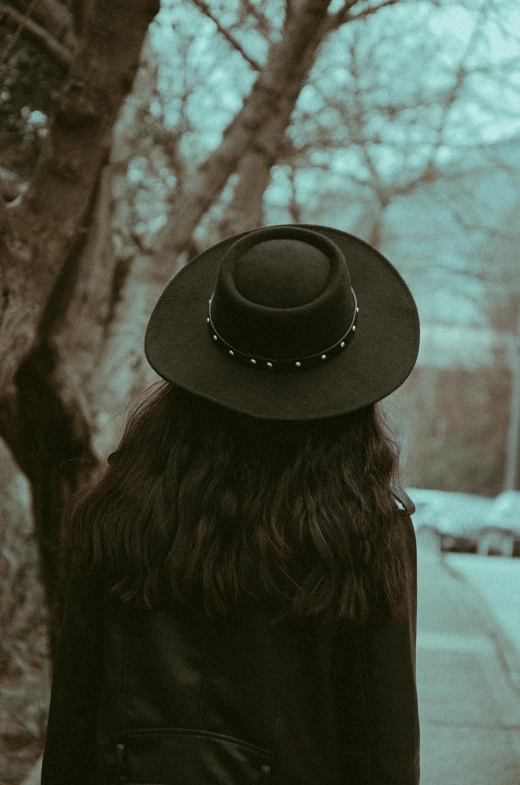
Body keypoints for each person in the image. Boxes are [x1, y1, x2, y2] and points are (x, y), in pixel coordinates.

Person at [41, 224, 421, 784]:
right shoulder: (365, 533)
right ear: (348, 386)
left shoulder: (115, 510)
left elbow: (72, 719)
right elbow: (383, 746)